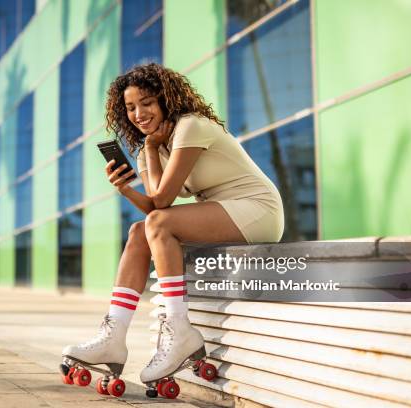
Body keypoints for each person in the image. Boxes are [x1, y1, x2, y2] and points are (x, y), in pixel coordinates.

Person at [61, 63, 284, 395]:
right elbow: (154, 207)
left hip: (256, 209)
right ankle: (113, 336)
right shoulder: (150, 149)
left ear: (166, 98)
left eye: (147, 102)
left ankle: (178, 329)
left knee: (156, 223)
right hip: (220, 213)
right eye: (131, 107)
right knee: (139, 231)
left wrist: (151, 149)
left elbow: (163, 202)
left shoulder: (191, 127)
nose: (139, 113)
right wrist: (126, 187)